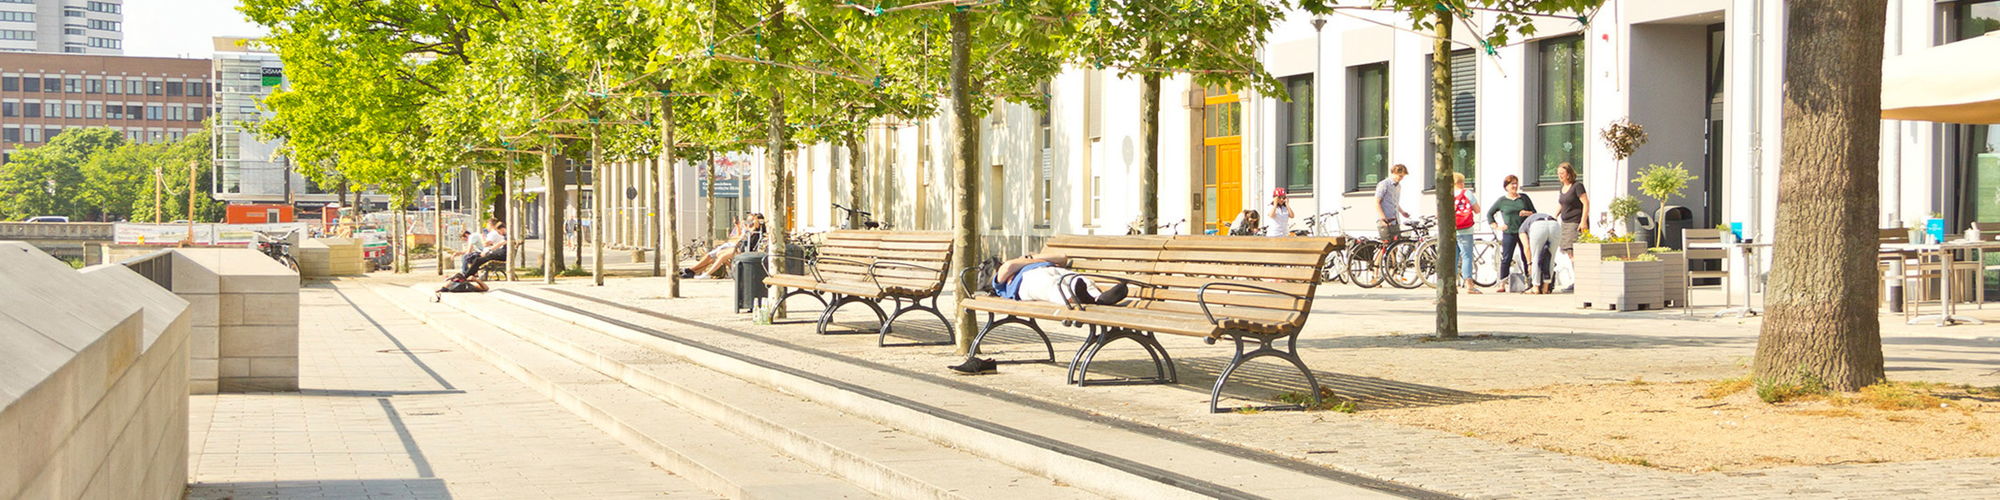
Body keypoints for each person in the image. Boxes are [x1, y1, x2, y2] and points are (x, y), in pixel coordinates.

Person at [951, 253, 1131, 375]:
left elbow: (1063, 257)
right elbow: (1010, 266)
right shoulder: (1002, 281)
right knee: (1052, 288)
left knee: (1076, 279)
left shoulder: (1030, 263)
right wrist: (1027, 260)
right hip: (1030, 282)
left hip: (1054, 271)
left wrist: (1035, 258)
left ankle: (1099, 299)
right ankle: (1078, 298)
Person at [1485, 175, 1537, 292]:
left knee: (1526, 256)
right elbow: (1489, 214)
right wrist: (1497, 226)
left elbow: (1534, 212)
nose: (1514, 186)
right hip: (1509, 232)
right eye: (1512, 184)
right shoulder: (1502, 201)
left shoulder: (1524, 198)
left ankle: (1530, 281)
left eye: (1516, 183)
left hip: (1523, 231)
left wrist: (1527, 213)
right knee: (1507, 258)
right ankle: (1502, 283)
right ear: (1506, 187)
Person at [1450, 172, 1483, 293]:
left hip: (1451, 230)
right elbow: (1477, 210)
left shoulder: (1448, 194)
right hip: (1465, 229)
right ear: (1459, 182)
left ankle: (1451, 285)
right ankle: (1469, 284)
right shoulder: (1467, 193)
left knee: (1453, 257)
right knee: (1467, 256)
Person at [1521, 211, 1561, 294]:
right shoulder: (1535, 216)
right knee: (1551, 257)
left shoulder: (1522, 228)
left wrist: (1529, 264)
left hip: (1538, 227)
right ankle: (1545, 288)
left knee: (1535, 257)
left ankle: (1535, 287)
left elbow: (1527, 247)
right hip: (1555, 224)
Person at [1556, 162, 1590, 257]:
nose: (1560, 175)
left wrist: (1583, 222)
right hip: (1565, 223)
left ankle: (1577, 270)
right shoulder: (1562, 187)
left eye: (1562, 173)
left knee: (1572, 250)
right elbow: (1562, 203)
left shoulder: (1577, 186)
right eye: (1558, 173)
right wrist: (1555, 216)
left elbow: (1586, 203)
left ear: (1569, 174)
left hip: (1575, 223)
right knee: (1565, 250)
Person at [1375, 164, 1412, 241]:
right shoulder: (1384, 184)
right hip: (1385, 220)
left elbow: (1394, 202)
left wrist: (1402, 212)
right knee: (1387, 245)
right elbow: (1377, 202)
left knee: (1395, 246)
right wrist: (1383, 218)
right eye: (1400, 176)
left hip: (1395, 220)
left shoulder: (1398, 186)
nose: (1401, 178)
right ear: (1393, 173)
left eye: (1403, 176)